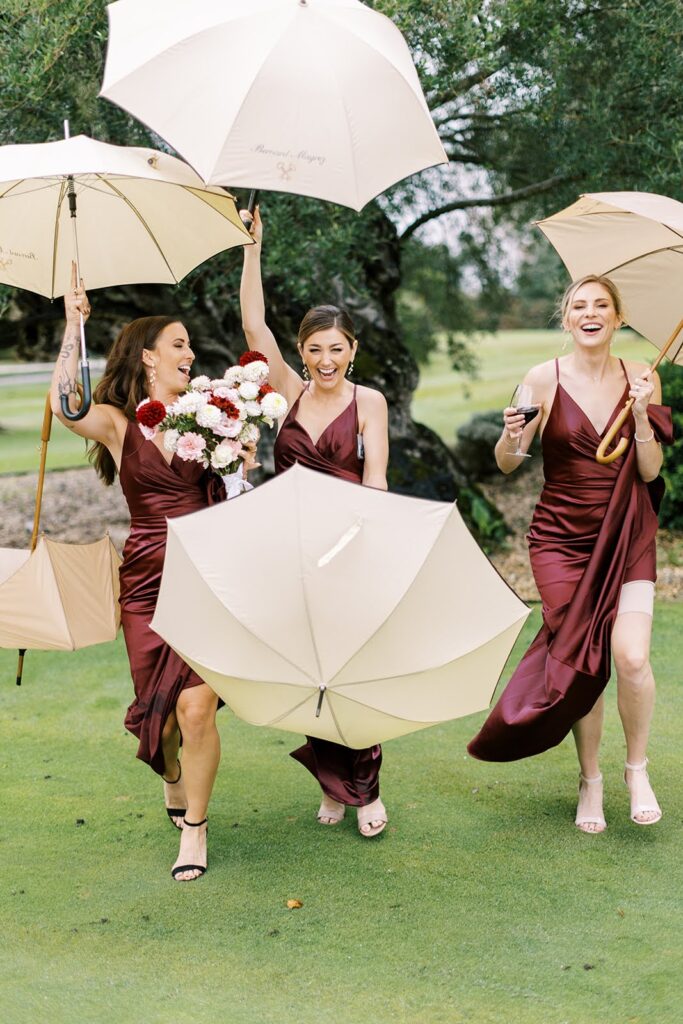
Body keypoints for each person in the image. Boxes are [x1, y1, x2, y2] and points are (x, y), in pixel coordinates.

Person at [51, 265, 243, 881]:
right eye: (179, 344)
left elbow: (233, 489)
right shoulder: (118, 423)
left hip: (205, 576)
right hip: (144, 584)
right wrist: (71, 326)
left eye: (189, 344)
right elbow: (63, 405)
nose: (191, 352)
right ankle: (171, 777)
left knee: (195, 708)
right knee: (157, 725)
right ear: (148, 357)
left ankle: (196, 831)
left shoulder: (214, 414)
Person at [467, 275, 673, 832]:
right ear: (566, 319)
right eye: (579, 305)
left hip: (628, 531)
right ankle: (591, 780)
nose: (590, 313)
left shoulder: (642, 378)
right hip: (560, 540)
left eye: (601, 305)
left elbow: (651, 471)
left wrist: (639, 415)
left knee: (629, 656)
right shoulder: (541, 379)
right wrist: (511, 434)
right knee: (584, 659)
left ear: (618, 317)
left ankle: (635, 770)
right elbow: (507, 462)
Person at [240, 207, 390, 837]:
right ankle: (332, 783)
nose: (325, 359)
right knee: (311, 673)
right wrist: (252, 249)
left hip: (351, 551)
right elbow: (254, 321)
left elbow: (377, 480)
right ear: (300, 353)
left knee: (352, 671)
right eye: (314, 349)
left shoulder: (370, 402)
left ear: (352, 351)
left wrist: (372, 545)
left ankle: (368, 788)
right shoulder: (287, 393)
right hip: (293, 553)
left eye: (336, 348)